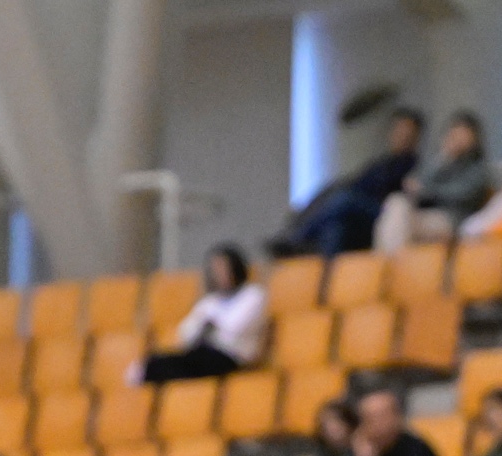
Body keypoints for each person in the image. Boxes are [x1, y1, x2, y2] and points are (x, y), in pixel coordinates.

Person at [276, 106, 425, 257]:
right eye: (399, 129)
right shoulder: (382, 163)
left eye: (408, 131)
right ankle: (324, 268)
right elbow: (357, 183)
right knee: (336, 227)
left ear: (416, 135)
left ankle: (298, 237)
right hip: (359, 213)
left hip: (382, 213)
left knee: (343, 198)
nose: (403, 135)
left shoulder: (416, 166)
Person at [137, 246, 268, 384]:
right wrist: (209, 324)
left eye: (223, 268)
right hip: (203, 353)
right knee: (155, 364)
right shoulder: (210, 301)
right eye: (215, 269)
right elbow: (185, 333)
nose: (219, 274)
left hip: (232, 356)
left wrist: (209, 323)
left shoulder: (253, 294)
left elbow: (234, 327)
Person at [375, 110, 494, 253]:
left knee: (399, 225)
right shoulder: (442, 160)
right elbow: (414, 182)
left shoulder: (478, 168)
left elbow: (459, 194)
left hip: (452, 220)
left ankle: (392, 262)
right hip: (425, 213)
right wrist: (444, 158)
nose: (458, 139)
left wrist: (426, 190)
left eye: (463, 134)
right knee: (396, 202)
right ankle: (386, 262)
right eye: (454, 134)